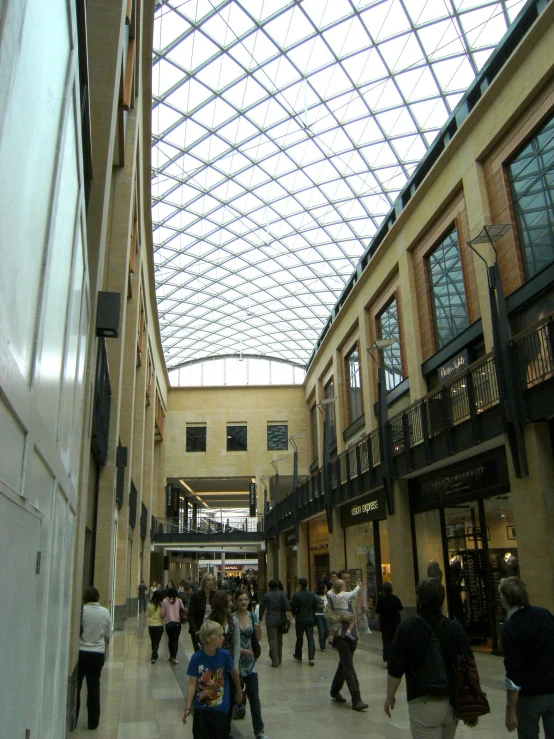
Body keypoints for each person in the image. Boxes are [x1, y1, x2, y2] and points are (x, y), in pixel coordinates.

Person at [384, 577, 474, 738]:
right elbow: (469, 663)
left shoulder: (407, 627)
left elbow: (395, 668)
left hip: (422, 700)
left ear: (419, 600)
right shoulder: (455, 628)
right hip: (452, 700)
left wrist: (390, 697)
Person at [499, 576, 554, 738]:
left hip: (529, 695)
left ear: (505, 598)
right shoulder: (544, 614)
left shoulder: (510, 627)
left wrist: (510, 708)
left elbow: (514, 670)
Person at [182, 620, 243, 739]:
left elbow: (234, 673)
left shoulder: (224, 655)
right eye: (219, 636)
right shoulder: (197, 658)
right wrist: (188, 706)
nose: (223, 638)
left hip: (220, 709)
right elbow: (192, 684)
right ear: (209, 639)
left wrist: (239, 691)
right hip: (201, 710)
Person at [326, 568, 368, 711]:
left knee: (344, 664)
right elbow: (328, 615)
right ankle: (356, 699)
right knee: (349, 666)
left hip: (352, 635)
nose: (347, 580)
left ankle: (334, 690)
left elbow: (356, 611)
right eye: (344, 578)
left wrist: (363, 610)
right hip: (340, 635)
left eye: (348, 578)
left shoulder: (353, 595)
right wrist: (342, 617)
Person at [235, 589, 270, 739]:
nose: (243, 602)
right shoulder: (232, 618)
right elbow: (230, 641)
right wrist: (242, 650)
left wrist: (259, 630)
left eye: (246, 600)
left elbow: (258, 638)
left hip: (250, 662)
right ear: (236, 601)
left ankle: (259, 730)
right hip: (236, 661)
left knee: (254, 696)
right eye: (241, 600)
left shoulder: (252, 615)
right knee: (233, 695)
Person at [76, 586, 113, 730]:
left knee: (77, 688)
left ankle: (74, 719)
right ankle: (93, 722)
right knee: (94, 687)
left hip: (82, 652)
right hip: (97, 654)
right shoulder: (105, 612)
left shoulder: (81, 611)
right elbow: (108, 633)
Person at [209, 589, 241, 736]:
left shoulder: (233, 620)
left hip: (230, 668)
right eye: (228, 601)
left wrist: (234, 665)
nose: (231, 604)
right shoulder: (210, 622)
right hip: (215, 669)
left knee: (228, 699)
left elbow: (236, 643)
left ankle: (226, 729)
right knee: (214, 700)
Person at [259, 578, 290, 667]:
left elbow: (262, 608)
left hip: (270, 619)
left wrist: (260, 618)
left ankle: (275, 660)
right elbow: (287, 606)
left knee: (272, 640)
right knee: (279, 640)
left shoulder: (266, 596)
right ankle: (279, 659)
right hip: (280, 619)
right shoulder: (282, 594)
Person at [291, 577, 317, 665]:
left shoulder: (297, 595)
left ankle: (298, 655)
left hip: (300, 619)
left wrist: (294, 614)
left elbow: (293, 607)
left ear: (300, 585)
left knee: (299, 638)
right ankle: (311, 657)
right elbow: (315, 606)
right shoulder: (312, 595)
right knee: (310, 638)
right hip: (309, 619)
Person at [376, 582, 404, 663]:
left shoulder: (381, 599)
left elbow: (378, 611)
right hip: (395, 623)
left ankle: (387, 658)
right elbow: (400, 608)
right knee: (394, 640)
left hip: (385, 623)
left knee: (386, 641)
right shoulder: (395, 598)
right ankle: (394, 657)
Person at [327, 578, 362, 643]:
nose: (345, 587)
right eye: (344, 586)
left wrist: (334, 587)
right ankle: (348, 632)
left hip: (336, 611)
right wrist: (358, 586)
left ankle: (331, 637)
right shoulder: (344, 594)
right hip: (344, 611)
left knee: (334, 624)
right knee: (352, 621)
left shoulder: (332, 594)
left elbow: (328, 592)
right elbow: (353, 593)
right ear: (341, 587)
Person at [188, 572, 216, 652]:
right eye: (208, 580)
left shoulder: (215, 595)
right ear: (204, 581)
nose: (211, 582)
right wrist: (195, 631)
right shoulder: (196, 596)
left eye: (212, 580)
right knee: (200, 654)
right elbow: (191, 615)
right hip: (198, 629)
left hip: (211, 630)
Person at [161, 586, 186, 664]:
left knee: (170, 639)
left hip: (168, 623)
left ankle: (171, 655)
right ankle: (174, 657)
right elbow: (183, 609)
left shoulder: (165, 601)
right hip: (177, 623)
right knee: (175, 640)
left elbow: (162, 614)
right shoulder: (179, 601)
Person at [146, 589, 164, 663]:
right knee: (157, 641)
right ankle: (154, 655)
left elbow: (147, 614)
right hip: (159, 625)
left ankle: (154, 654)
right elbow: (163, 615)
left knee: (153, 641)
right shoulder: (162, 605)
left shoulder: (149, 604)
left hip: (151, 625)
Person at [315, 582, 330, 652]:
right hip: (318, 615)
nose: (326, 589)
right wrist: (318, 607)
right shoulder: (316, 597)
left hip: (326, 614)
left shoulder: (327, 596)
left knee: (328, 630)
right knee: (321, 631)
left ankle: (323, 641)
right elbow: (313, 606)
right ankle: (322, 646)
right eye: (325, 588)